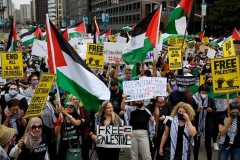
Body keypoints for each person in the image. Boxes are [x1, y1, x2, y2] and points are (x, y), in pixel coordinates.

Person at [121, 94, 155, 160]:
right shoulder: (131, 110)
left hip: (144, 135)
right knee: (134, 156)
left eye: (141, 101)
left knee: (147, 156)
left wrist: (153, 121)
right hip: (132, 134)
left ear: (143, 100)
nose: (139, 102)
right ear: (135, 101)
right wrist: (124, 99)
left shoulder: (147, 112)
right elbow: (123, 108)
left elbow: (151, 125)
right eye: (137, 101)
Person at [191, 84, 216, 160]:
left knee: (208, 144)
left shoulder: (210, 99)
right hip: (197, 124)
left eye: (205, 93)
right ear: (199, 91)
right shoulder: (194, 99)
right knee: (197, 144)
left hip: (208, 124)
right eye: (202, 92)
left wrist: (211, 111)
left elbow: (214, 110)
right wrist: (197, 110)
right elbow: (190, 111)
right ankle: (195, 158)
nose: (204, 94)